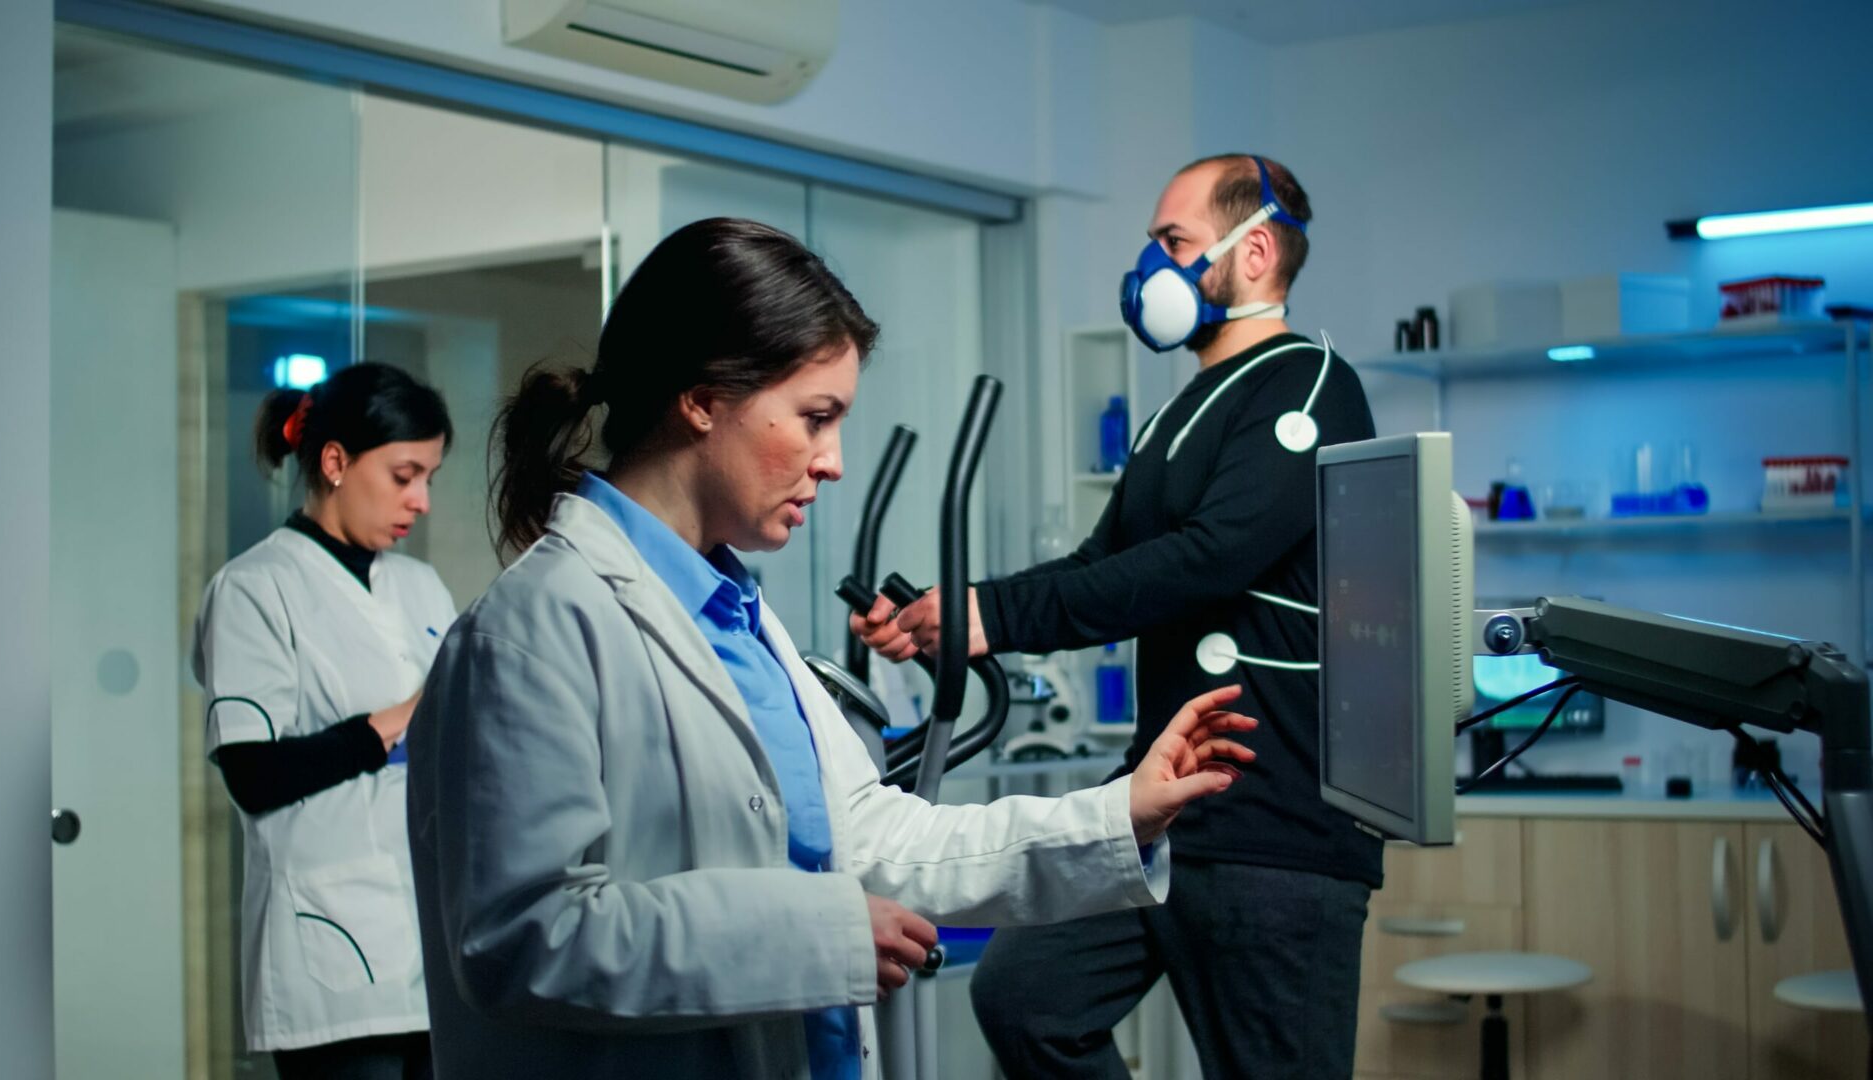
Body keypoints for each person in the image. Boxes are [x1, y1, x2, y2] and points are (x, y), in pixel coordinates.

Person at [404, 217, 1260, 1080]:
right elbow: (522, 942)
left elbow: (872, 836)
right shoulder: (532, 630)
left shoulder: (738, 617)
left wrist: (1121, 815)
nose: (833, 461)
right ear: (702, 398)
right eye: (815, 419)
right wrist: (820, 933)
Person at [854, 155, 1380, 1079]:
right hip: (1161, 805)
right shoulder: (1177, 413)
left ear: (1253, 251)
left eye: (1173, 243)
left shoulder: (1308, 387)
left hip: (1272, 822)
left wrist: (995, 614)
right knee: (1024, 1001)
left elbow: (1208, 559)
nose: (1152, 270)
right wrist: (958, 612)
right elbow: (1104, 567)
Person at [192, 362, 456, 1080]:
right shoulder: (254, 589)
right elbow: (253, 773)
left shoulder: (421, 586)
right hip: (329, 958)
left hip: (430, 956)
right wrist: (399, 720)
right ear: (335, 462)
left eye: (429, 477)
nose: (421, 500)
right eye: (404, 475)